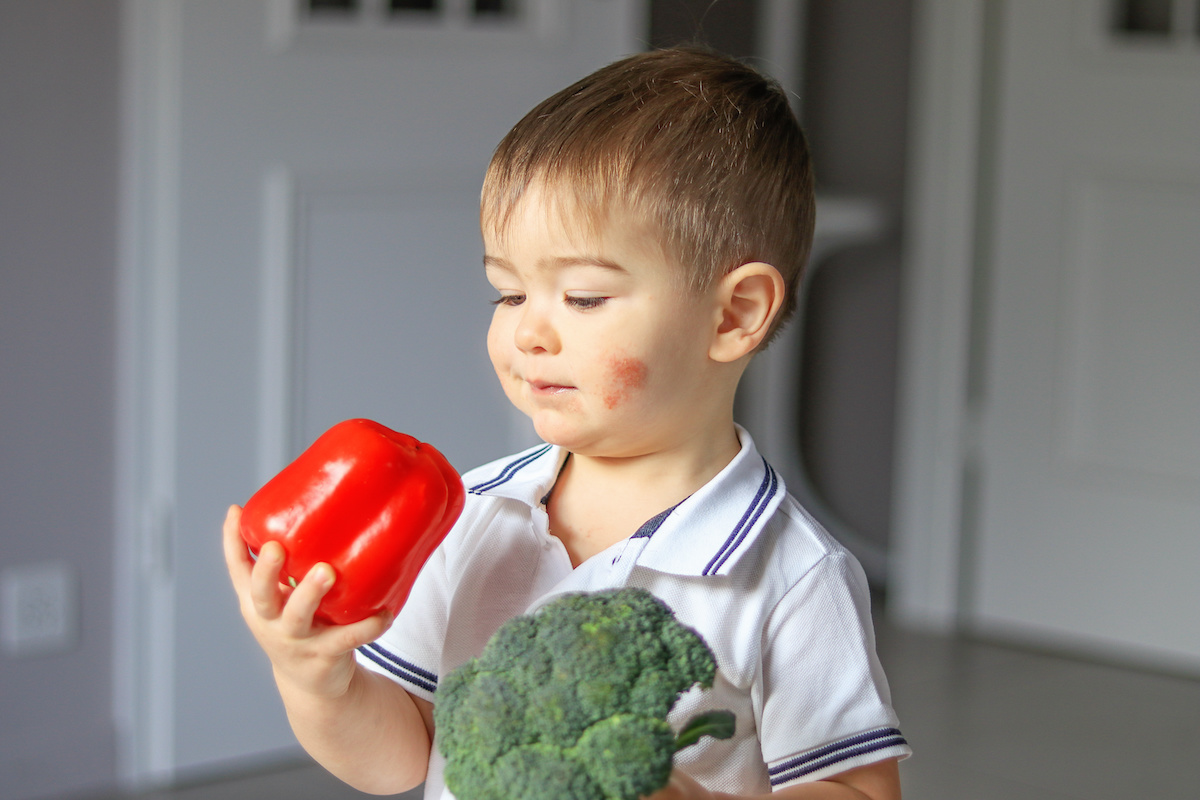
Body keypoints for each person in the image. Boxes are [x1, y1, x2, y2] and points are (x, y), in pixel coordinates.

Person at [224, 46, 909, 800]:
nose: (527, 333)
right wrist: (317, 681)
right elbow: (400, 759)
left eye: (582, 298)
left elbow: (860, 792)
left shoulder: (790, 577)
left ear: (734, 315)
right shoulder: (469, 516)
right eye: (508, 295)